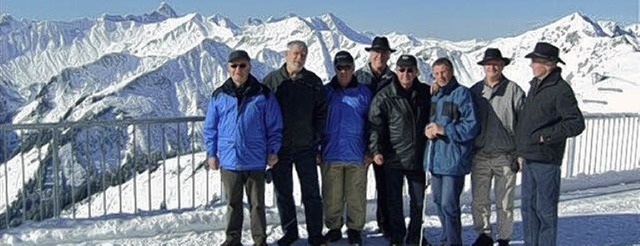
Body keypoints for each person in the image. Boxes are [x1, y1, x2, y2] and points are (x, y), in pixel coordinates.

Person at [203, 50, 283, 246]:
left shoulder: (263, 94)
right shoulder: (219, 95)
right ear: (228, 68)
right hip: (229, 160)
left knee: (257, 205)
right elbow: (210, 127)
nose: (238, 69)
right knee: (232, 204)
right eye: (234, 65)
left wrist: (273, 150)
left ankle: (260, 240)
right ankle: (232, 240)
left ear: (249, 67)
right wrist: (212, 153)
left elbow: (275, 125)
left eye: (242, 65)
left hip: (255, 159)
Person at [516, 42, 585, 246]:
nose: (531, 65)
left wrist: (546, 136)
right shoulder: (536, 85)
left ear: (549, 64)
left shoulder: (561, 90)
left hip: (546, 159)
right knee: (528, 208)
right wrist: (520, 152)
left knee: (545, 210)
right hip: (529, 158)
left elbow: (576, 123)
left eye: (535, 61)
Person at [263, 40, 327, 246]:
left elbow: (321, 113)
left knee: (312, 194)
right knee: (283, 194)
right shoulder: (272, 81)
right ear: (286, 54)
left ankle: (315, 235)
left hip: (305, 147)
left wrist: (315, 139)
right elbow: (262, 113)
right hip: (279, 149)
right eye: (296, 53)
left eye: (303, 54)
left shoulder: (313, 81)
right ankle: (290, 232)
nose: (299, 57)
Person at [368, 54, 431, 246]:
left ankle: (416, 236)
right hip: (393, 158)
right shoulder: (385, 95)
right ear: (396, 71)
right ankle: (397, 237)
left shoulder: (426, 93)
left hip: (417, 157)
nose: (406, 74)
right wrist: (376, 150)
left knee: (419, 203)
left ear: (417, 72)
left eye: (410, 70)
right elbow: (375, 125)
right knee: (394, 202)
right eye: (402, 69)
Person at [469, 48, 525, 246]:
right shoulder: (474, 91)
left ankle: (503, 238)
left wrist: (520, 154)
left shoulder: (514, 90)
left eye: (496, 63)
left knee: (505, 202)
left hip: (506, 155)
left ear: (502, 66)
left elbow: (523, 123)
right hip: (480, 154)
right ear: (484, 67)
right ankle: (483, 235)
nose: (492, 67)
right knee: (479, 200)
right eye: (489, 63)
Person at [424, 57, 479, 246]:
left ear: (451, 71)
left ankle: (454, 242)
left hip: (454, 159)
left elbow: (471, 126)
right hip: (437, 159)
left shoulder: (462, 94)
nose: (440, 76)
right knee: (439, 203)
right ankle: (446, 238)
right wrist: (429, 130)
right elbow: (432, 122)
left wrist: (444, 130)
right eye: (437, 73)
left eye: (444, 72)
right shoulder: (436, 95)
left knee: (449, 205)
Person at [320, 51, 372, 245]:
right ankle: (334, 228)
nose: (343, 71)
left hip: (357, 153)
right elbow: (317, 121)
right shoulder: (326, 93)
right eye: (339, 68)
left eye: (347, 68)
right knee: (332, 195)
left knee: (356, 195)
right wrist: (318, 148)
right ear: (335, 69)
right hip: (330, 152)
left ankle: (355, 229)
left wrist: (370, 149)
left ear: (353, 69)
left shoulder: (364, 93)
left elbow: (372, 123)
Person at [355, 36, 397, 237]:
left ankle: (385, 224)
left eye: (383, 52)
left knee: (385, 186)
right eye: (376, 52)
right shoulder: (358, 77)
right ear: (370, 54)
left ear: (389, 55)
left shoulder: (394, 78)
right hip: (359, 139)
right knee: (355, 187)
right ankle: (354, 226)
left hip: (385, 141)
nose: (379, 56)